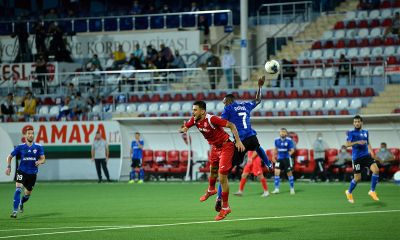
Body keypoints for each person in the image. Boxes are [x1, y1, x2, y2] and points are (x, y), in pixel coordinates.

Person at [180, 100, 245, 221]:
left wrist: (238, 141)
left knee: (222, 177)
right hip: (215, 148)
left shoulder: (212, 119)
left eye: (195, 110)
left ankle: (225, 207)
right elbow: (187, 126)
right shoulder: (194, 119)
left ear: (202, 111)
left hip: (226, 146)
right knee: (213, 170)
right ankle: (211, 189)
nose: (193, 112)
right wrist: (184, 129)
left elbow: (231, 125)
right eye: (193, 110)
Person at [216, 76, 272, 206]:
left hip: (240, 141)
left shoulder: (228, 109)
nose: (224, 104)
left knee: (224, 173)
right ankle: (269, 164)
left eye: (224, 102)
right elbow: (258, 100)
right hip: (251, 136)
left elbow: (220, 123)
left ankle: (219, 197)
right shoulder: (245, 105)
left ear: (227, 101)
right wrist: (260, 86)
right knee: (258, 147)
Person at [5, 126, 45, 218]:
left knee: (27, 194)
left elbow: (43, 159)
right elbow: (10, 156)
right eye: (29, 134)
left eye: (32, 133)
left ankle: (21, 202)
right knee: (18, 190)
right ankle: (14, 212)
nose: (31, 135)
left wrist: (39, 161)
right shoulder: (20, 147)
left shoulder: (38, 147)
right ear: (25, 135)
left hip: (32, 174)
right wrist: (9, 166)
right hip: (21, 171)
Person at [345, 115, 380, 203]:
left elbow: (368, 143)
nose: (356, 123)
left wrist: (372, 152)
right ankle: (349, 192)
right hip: (357, 158)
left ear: (361, 122)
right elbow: (347, 144)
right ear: (353, 123)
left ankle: (372, 191)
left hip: (366, 156)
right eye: (355, 122)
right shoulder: (351, 133)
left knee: (376, 170)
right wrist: (357, 142)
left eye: (358, 121)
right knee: (357, 178)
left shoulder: (366, 132)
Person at [272, 128, 296, 195]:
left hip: (286, 159)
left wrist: (288, 154)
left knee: (289, 173)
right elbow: (276, 149)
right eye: (281, 132)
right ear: (279, 133)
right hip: (279, 159)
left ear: (286, 133)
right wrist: (273, 156)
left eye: (284, 132)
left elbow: (292, 150)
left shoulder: (289, 140)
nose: (282, 133)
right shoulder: (276, 140)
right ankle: (276, 189)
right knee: (276, 172)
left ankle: (292, 188)